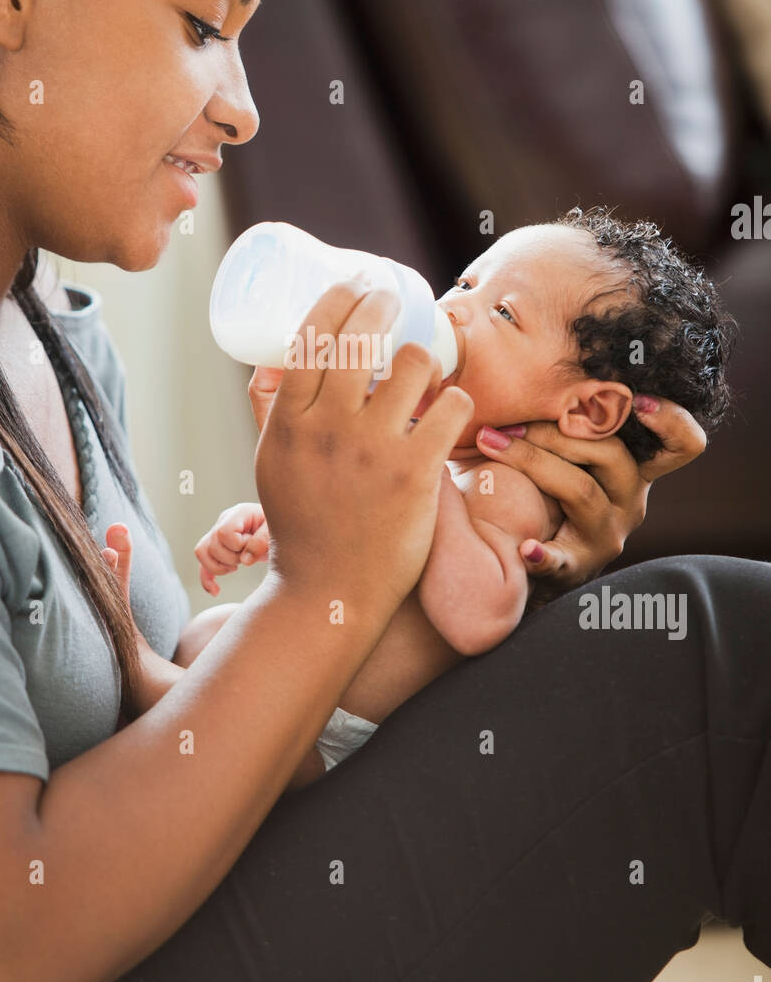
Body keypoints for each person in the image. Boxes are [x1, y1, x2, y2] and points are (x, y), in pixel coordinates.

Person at [0, 0, 767, 982]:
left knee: (700, 641)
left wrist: (507, 557)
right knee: (716, 657)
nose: (244, 105)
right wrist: (330, 583)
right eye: (203, 22)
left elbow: (178, 731)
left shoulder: (46, 345)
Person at [185, 209, 736, 784]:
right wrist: (268, 525)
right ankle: (145, 680)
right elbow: (358, 544)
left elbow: (478, 617)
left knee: (203, 674)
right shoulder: (458, 468)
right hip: (301, 687)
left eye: (502, 313)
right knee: (208, 633)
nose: (451, 308)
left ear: (586, 410)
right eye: (466, 283)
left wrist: (427, 476)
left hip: (330, 739)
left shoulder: (511, 490)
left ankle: (139, 673)